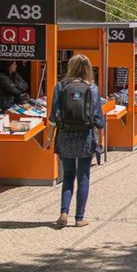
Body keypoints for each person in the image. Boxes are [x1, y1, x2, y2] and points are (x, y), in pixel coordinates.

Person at [44, 54, 105, 228]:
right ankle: (79, 218)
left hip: (65, 136)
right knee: (83, 176)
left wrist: (49, 138)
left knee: (68, 175)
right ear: (88, 68)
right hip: (86, 136)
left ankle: (64, 212)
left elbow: (53, 116)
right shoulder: (92, 88)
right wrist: (101, 140)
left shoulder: (60, 86)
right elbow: (98, 118)